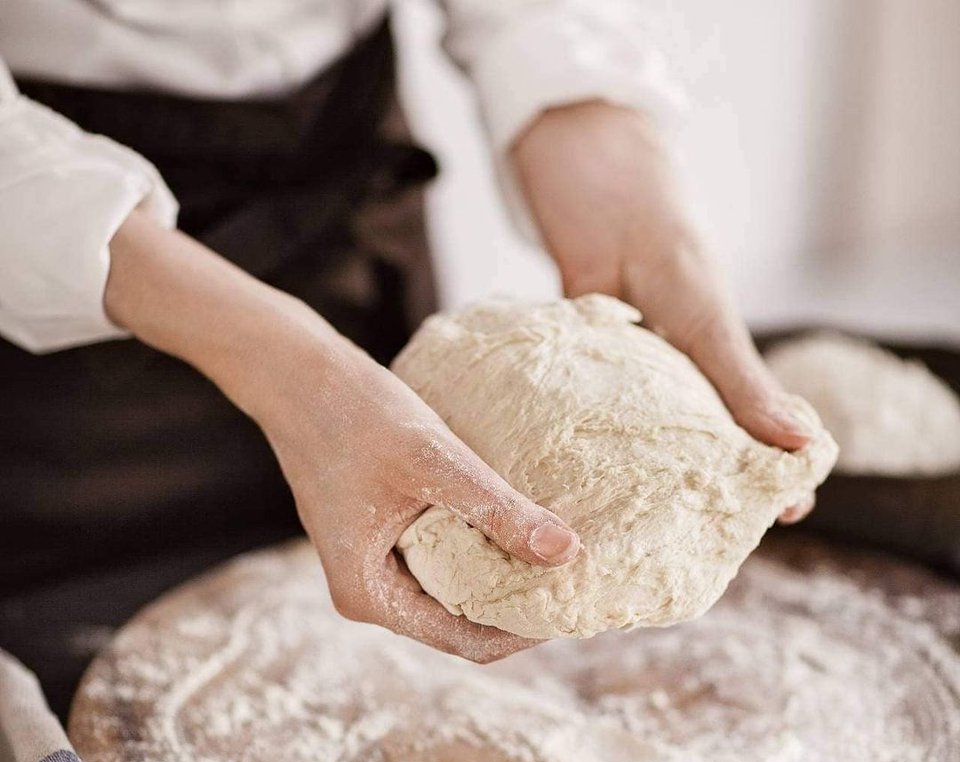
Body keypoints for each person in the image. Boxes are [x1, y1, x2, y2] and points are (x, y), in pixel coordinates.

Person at [0, 1, 819, 715]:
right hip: (63, 282)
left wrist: (612, 159)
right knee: (97, 690)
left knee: (383, 650)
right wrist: (282, 363)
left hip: (343, 160)